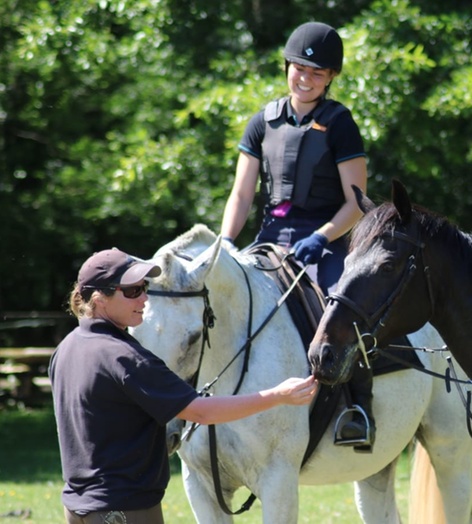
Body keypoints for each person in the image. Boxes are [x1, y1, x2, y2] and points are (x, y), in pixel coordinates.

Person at [49, 248, 318, 524]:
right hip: (124, 510)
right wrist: (277, 395)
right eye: (131, 291)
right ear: (99, 299)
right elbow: (201, 413)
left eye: (144, 287)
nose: (143, 297)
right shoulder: (126, 358)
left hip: (78, 508)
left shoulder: (66, 348)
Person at [217, 22, 374, 450]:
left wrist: (322, 237)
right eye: (299, 68)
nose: (305, 79)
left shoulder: (340, 124)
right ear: (287, 66)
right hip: (270, 237)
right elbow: (242, 192)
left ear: (330, 79)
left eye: (317, 73)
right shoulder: (261, 122)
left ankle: (357, 407)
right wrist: (225, 244)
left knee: (342, 310)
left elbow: (358, 202)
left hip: (324, 239)